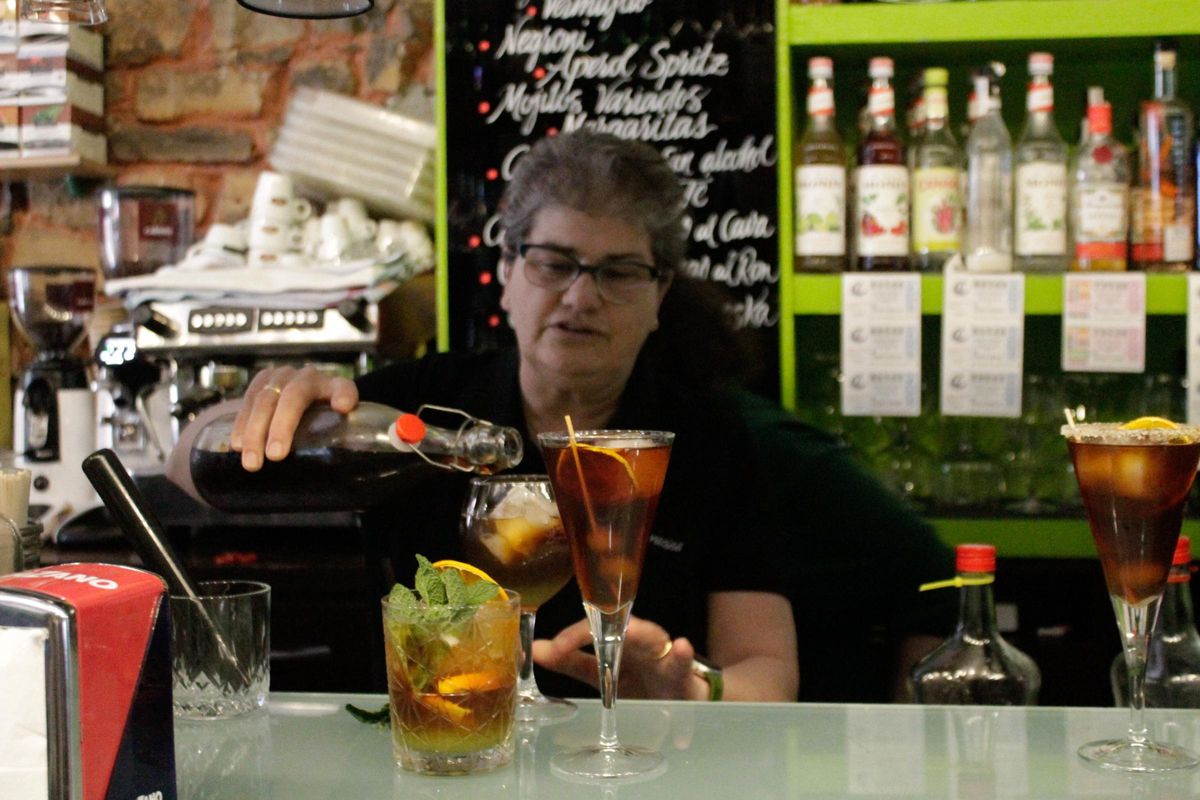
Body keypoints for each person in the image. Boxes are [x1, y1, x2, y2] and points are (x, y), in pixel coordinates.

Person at [171, 129, 953, 702]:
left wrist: (692, 690)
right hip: (436, 755)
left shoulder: (710, 441)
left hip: (642, 766)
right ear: (506, 275)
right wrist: (256, 411)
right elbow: (188, 469)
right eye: (554, 264)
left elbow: (765, 676)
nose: (580, 297)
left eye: (618, 272)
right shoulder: (411, 408)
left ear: (659, 298)